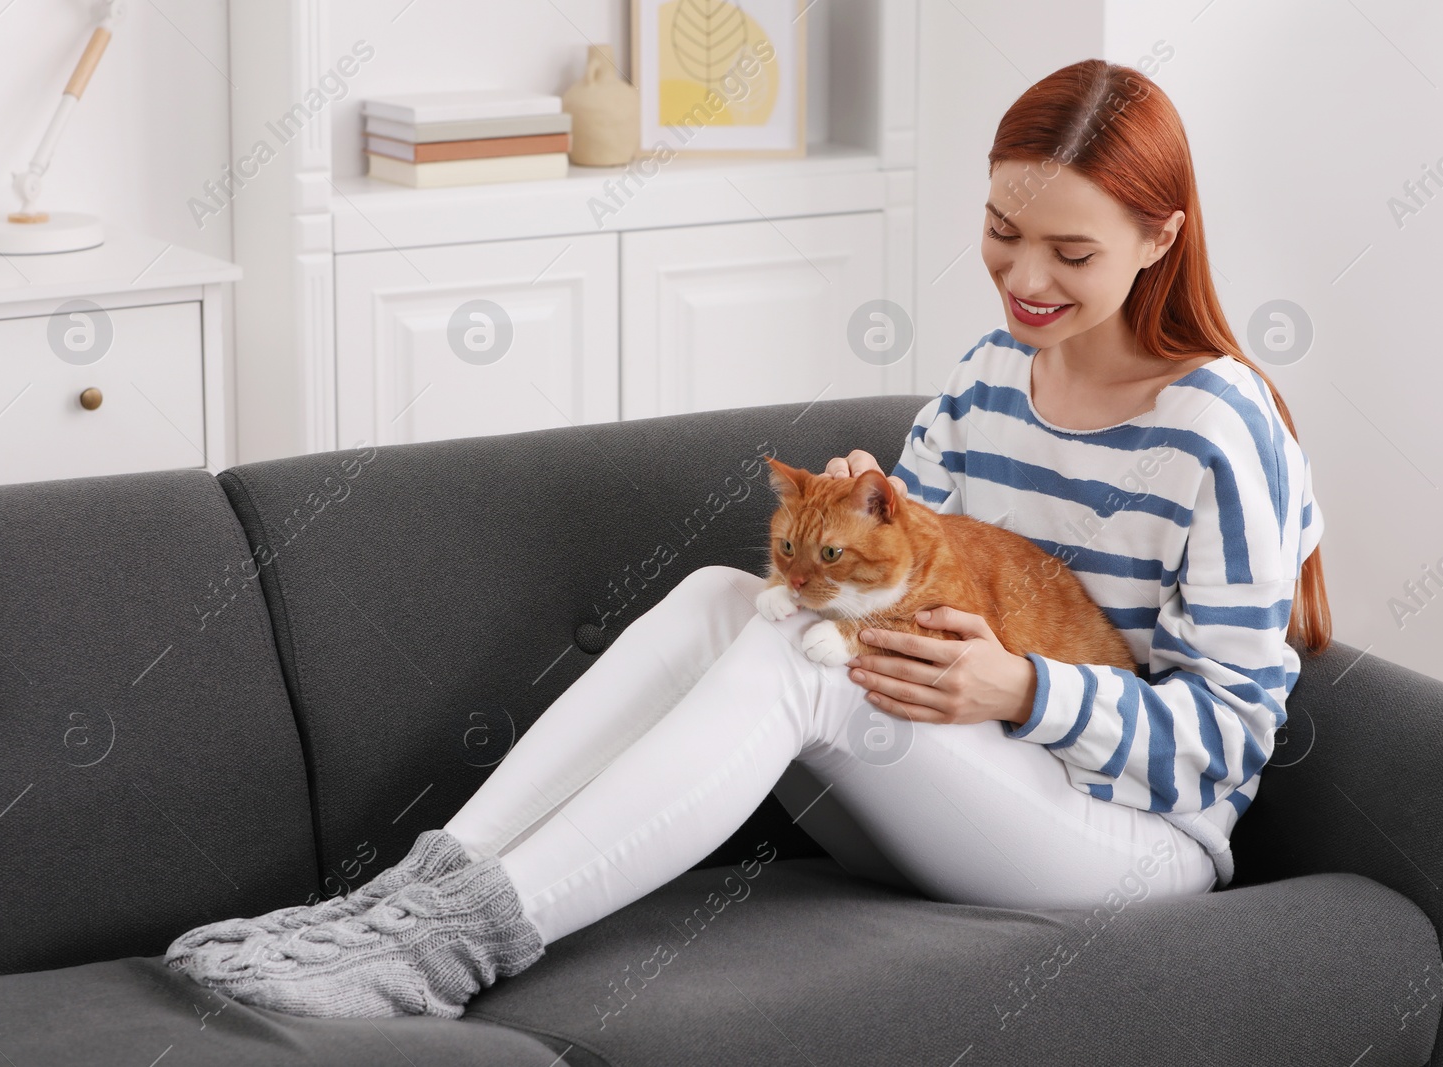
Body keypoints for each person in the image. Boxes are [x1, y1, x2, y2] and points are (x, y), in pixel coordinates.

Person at [163, 57, 1330, 1019]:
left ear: (1158, 237)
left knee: (793, 657)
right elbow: (898, 569)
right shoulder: (987, 382)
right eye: (1000, 231)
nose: (1023, 278)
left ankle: (447, 954)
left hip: (1131, 837)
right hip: (952, 792)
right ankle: (403, 905)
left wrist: (1020, 688)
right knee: (733, 596)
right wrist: (873, 512)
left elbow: (1228, 742)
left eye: (1071, 255)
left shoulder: (1220, 430)